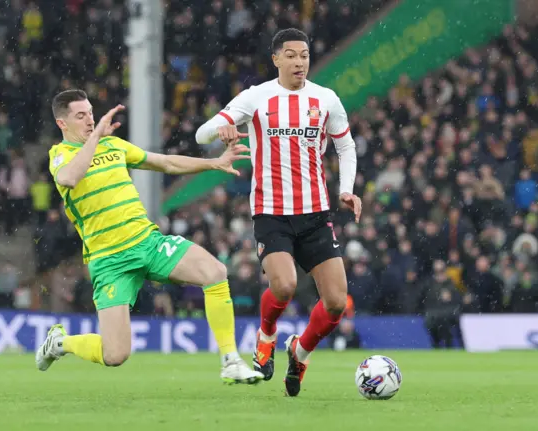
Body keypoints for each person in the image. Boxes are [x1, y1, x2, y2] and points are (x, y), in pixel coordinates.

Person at [35, 89, 263, 384]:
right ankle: (59, 343)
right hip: (109, 261)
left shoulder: (114, 146)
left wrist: (213, 163)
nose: (91, 120)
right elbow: (70, 178)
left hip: (148, 243)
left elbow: (165, 162)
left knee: (215, 271)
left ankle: (231, 361)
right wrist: (93, 139)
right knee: (115, 354)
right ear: (62, 123)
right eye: (81, 116)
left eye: (91, 113)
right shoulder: (60, 156)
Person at [195, 28, 362, 396]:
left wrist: (346, 190)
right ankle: (267, 334)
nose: (299, 61)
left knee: (335, 303)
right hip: (271, 213)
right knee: (284, 286)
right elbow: (200, 135)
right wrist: (221, 127)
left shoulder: (326, 99)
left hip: (316, 214)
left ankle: (299, 352)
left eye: (304, 54)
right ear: (276, 59)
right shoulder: (256, 97)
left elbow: (345, 146)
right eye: (291, 54)